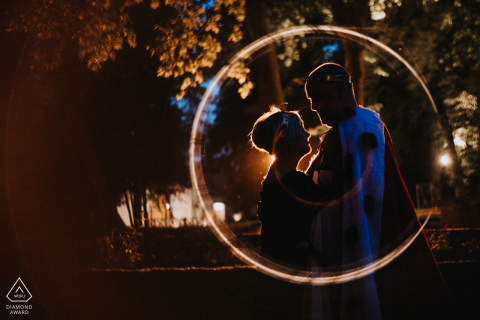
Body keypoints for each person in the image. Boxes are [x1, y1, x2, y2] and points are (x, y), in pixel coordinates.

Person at [303, 63, 456, 319]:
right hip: (334, 253)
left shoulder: (364, 130)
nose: (313, 106)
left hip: (365, 252)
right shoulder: (338, 134)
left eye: (317, 97)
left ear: (339, 89)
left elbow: (362, 203)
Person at [248, 107, 328, 319]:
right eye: (302, 128)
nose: (308, 133)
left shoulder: (276, 179)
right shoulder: (294, 183)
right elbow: (337, 200)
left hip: (272, 282)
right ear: (288, 137)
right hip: (288, 288)